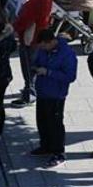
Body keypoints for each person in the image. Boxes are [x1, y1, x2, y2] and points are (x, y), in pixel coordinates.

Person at [30, 29, 77, 167]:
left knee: (55, 124)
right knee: (42, 121)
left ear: (50, 42)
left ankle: (59, 153)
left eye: (43, 46)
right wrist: (35, 67)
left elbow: (70, 76)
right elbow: (37, 60)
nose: (42, 48)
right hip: (43, 91)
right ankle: (45, 146)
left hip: (56, 94)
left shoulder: (67, 54)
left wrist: (48, 72)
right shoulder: (44, 50)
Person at [11, 0, 53, 106]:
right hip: (39, 36)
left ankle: (29, 94)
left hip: (31, 38)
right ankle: (31, 89)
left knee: (28, 67)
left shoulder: (34, 2)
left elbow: (24, 20)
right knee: (34, 65)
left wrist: (13, 29)